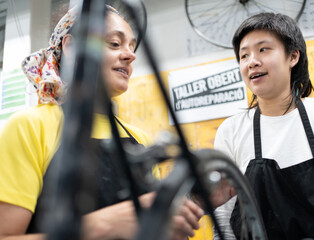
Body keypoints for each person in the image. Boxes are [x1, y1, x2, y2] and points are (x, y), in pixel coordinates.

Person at [0, 5, 203, 240]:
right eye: (115, 43)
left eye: (132, 46)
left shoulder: (140, 139)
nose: (130, 54)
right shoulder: (31, 127)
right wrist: (104, 224)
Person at [212, 12, 314, 240]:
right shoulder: (230, 131)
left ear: (293, 56)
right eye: (244, 55)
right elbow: (222, 222)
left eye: (263, 49)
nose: (252, 61)